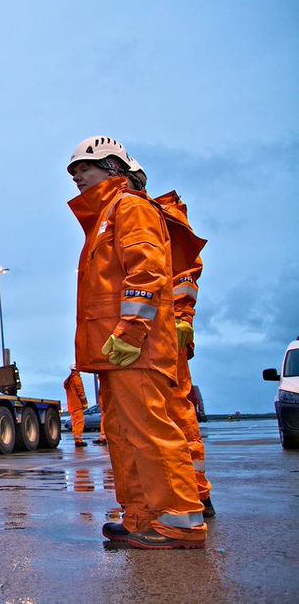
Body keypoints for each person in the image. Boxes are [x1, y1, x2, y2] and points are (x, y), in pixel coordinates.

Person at [67, 136, 206, 549]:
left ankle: (178, 524)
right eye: (73, 172)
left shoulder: (130, 208)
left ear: (113, 168)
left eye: (83, 169)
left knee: (151, 435)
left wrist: (130, 332)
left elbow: (146, 273)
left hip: (135, 348)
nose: (76, 177)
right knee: (126, 436)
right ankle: (142, 516)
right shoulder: (107, 216)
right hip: (115, 352)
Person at [128, 166, 215, 518]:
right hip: (156, 329)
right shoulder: (140, 216)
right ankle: (191, 497)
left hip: (163, 331)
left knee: (173, 416)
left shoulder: (155, 217)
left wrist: (183, 318)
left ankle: (191, 500)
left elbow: (182, 276)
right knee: (167, 419)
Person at [64, 366, 90, 447]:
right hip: (77, 404)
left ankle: (77, 439)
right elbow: (81, 392)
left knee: (75, 422)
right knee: (79, 422)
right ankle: (78, 440)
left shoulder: (68, 380)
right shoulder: (76, 378)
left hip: (71, 405)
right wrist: (85, 403)